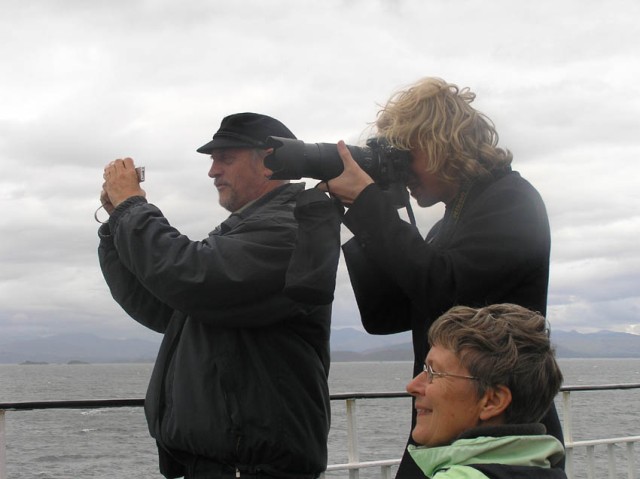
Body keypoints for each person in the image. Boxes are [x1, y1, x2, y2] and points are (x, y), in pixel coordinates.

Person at [321, 77, 564, 477]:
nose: (400, 169)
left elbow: (446, 291)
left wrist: (368, 205)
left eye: (405, 155)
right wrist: (368, 211)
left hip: (497, 429)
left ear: (440, 144)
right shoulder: (448, 223)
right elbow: (386, 316)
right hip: (447, 423)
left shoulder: (512, 200)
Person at [97, 112, 341, 478]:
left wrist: (133, 207)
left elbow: (191, 276)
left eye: (225, 158)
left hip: (256, 467)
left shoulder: (290, 227)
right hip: (219, 465)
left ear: (271, 160)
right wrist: (116, 225)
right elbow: (164, 306)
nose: (212, 171)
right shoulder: (241, 232)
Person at [405, 303, 566, 478]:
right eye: (424, 368)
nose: (412, 386)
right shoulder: (545, 471)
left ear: (492, 401)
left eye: (434, 372)